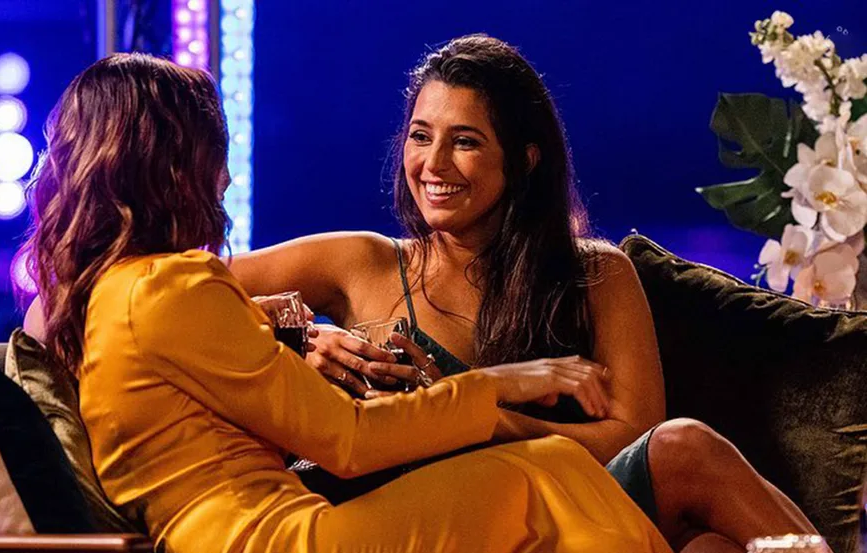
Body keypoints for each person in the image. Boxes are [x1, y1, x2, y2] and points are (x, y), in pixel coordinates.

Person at [20, 52, 674, 553]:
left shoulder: (124, 288)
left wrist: (293, 334)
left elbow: (212, 346)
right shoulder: (174, 287)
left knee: (563, 474)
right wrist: (504, 383)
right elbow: (349, 441)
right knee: (545, 478)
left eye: (466, 140)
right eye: (211, 148)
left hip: (258, 526)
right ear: (172, 162)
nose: (225, 173)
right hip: (272, 536)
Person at [226, 35, 822, 553]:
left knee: (710, 542)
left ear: (525, 159)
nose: (433, 163)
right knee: (687, 450)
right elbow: (172, 295)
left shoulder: (593, 274)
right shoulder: (358, 262)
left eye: (464, 141)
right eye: (419, 135)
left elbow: (629, 437)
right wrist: (302, 338)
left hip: (566, 507)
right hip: (415, 513)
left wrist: (468, 414)